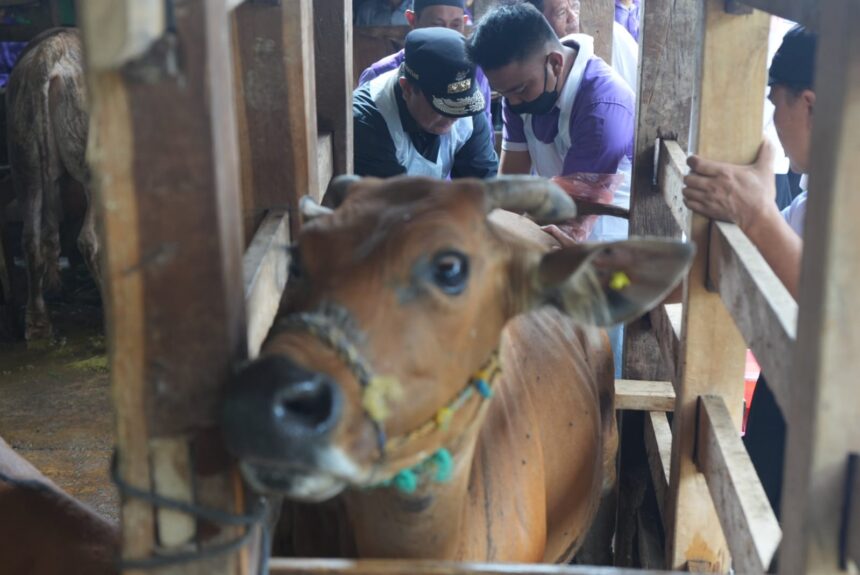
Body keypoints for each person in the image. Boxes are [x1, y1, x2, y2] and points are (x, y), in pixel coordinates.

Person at [681, 25, 817, 521]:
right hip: (788, 396)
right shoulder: (816, 187)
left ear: (810, 104)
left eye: (774, 102)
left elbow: (841, 310)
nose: (774, 121)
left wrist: (757, 213)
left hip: (827, 420)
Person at [467, 3, 634, 241]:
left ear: (555, 63)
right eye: (504, 94)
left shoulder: (602, 109)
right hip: (553, 222)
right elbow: (512, 186)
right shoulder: (519, 90)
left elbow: (571, 217)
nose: (513, 103)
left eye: (520, 90)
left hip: (607, 239)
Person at [353, 27, 498, 179]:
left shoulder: (466, 111)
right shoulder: (367, 121)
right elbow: (393, 199)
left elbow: (484, 184)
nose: (454, 118)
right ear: (407, 88)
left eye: (461, 106)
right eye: (443, 109)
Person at [358, 0, 494, 141]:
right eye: (436, 25)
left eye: (455, 25)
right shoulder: (379, 75)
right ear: (412, 20)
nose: (446, 33)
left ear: (465, 23)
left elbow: (484, 138)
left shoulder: (475, 72)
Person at [520, 0, 639, 92]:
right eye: (561, 13)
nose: (573, 17)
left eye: (575, 7)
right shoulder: (530, 62)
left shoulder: (613, 34)